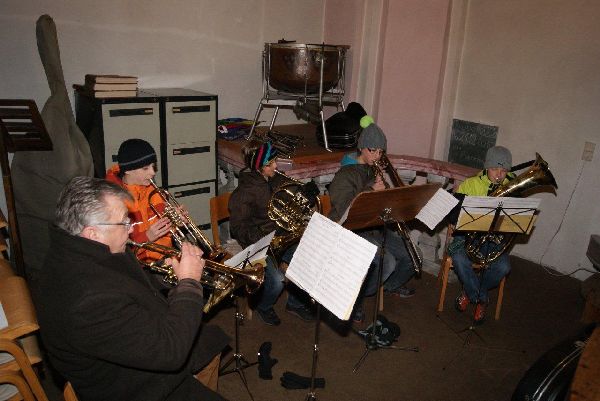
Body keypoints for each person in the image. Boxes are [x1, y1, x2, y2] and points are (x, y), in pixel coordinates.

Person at [34, 176, 230, 401]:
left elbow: (127, 282)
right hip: (135, 387)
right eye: (123, 223)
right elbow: (170, 353)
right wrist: (190, 283)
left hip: (134, 345)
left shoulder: (79, 249)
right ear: (93, 233)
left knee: (211, 339)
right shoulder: (88, 300)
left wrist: (166, 278)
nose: (130, 229)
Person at [328, 118, 416, 322]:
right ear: (362, 148)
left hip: (373, 227)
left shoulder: (372, 168)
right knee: (387, 263)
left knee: (412, 254)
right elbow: (345, 210)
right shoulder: (344, 175)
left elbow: (384, 204)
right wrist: (371, 190)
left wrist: (390, 197)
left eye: (381, 152)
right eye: (374, 151)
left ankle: (388, 286)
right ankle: (355, 299)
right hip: (350, 230)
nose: (378, 156)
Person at [229, 140, 317, 326]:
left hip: (283, 236)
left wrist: (305, 197)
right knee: (277, 280)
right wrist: (267, 239)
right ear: (258, 167)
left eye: (275, 161)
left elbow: (292, 205)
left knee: (308, 259)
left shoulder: (276, 180)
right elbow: (237, 228)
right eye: (270, 163)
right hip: (260, 243)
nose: (276, 166)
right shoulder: (244, 192)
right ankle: (264, 306)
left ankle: (294, 303)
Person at [451, 145, 515, 324]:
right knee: (459, 259)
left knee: (504, 267)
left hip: (494, 239)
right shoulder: (470, 184)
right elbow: (455, 217)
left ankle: (469, 291)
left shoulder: (513, 186)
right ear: (487, 167)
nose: (499, 175)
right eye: (495, 169)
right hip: (468, 237)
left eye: (504, 171)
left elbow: (514, 219)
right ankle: (481, 298)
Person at [105, 138, 174, 262]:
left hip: (164, 256)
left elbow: (164, 230)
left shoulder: (152, 191)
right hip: (136, 265)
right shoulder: (112, 201)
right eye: (145, 168)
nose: (153, 172)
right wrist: (146, 237)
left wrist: (174, 222)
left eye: (153, 166)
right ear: (128, 170)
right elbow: (115, 251)